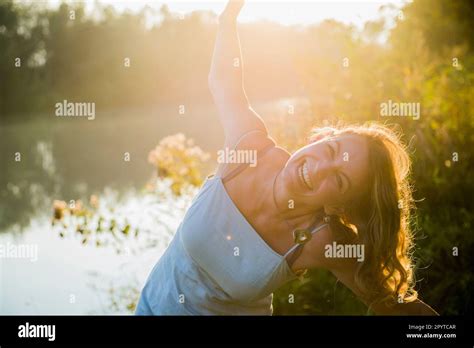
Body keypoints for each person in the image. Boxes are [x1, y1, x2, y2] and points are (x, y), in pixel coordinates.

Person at [135, 0, 438, 315]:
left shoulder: (319, 241)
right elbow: (224, 81)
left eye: (338, 180)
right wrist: (229, 16)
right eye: (331, 151)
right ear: (321, 138)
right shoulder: (250, 148)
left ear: (338, 205)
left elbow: (387, 302)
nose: (320, 168)